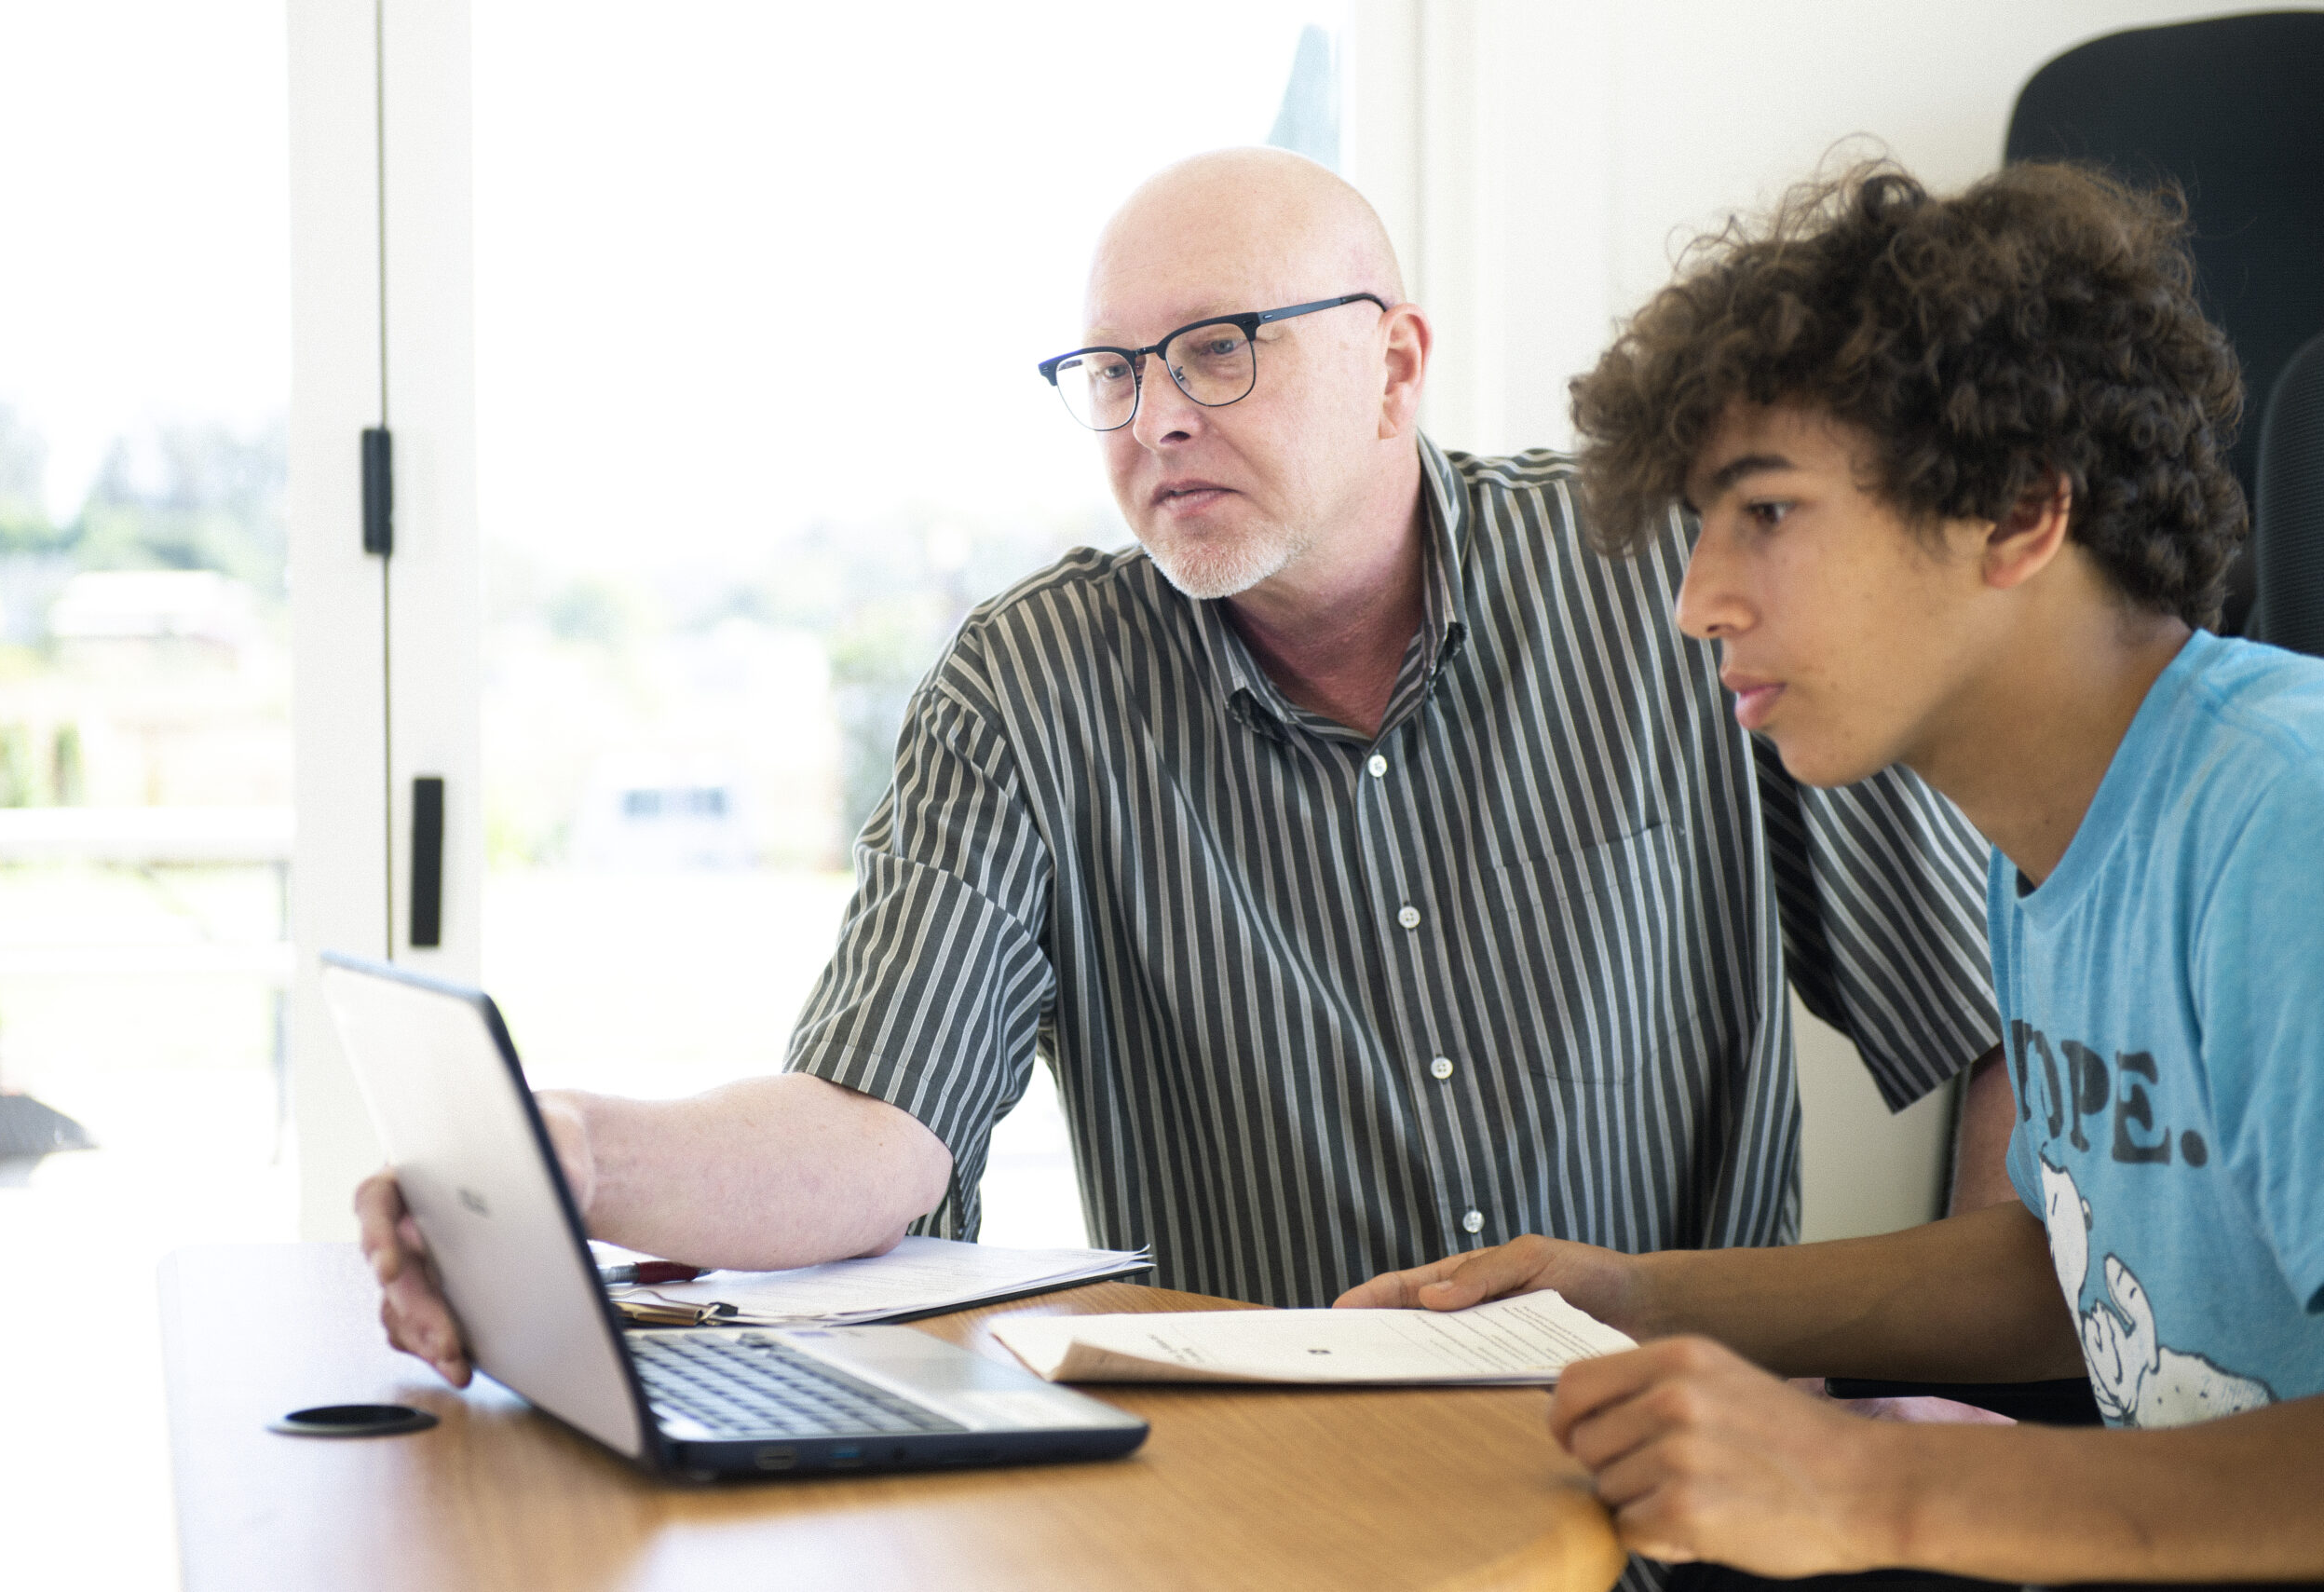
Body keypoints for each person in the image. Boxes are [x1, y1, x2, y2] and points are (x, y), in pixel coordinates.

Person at [360, 148, 2006, 1395]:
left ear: (1397, 365)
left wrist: (1993, 1395)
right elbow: (876, 1129)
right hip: (1266, 1505)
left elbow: (1993, 1014)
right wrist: (574, 1156)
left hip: (1685, 1480)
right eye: (1114, 372)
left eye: (1219, 350)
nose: (1154, 418)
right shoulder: (1032, 686)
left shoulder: (1673, 579)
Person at [1341, 159, 2324, 1583]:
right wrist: (1636, 1296)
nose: (1696, 600)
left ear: (2018, 512)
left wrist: (1877, 1483)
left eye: (1769, 512)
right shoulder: (2059, 846)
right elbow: (2071, 1265)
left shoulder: (2284, 822)